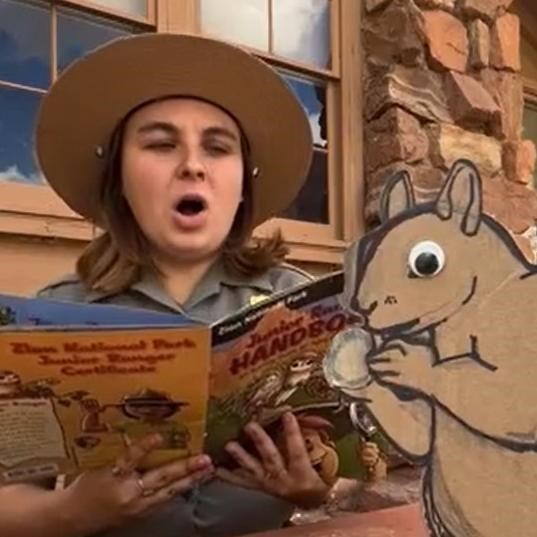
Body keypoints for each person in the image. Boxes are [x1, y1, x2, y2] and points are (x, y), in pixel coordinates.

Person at [0, 33, 383, 537]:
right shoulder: (51, 314)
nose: (193, 165)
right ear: (118, 176)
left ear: (243, 182)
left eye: (217, 148)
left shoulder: (306, 303)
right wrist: (73, 512)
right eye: (161, 144)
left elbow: (356, 467)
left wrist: (316, 488)